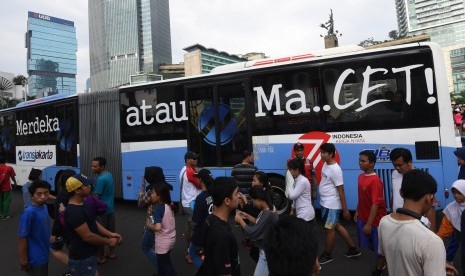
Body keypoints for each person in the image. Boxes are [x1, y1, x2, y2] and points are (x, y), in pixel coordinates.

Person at [378, 170, 458, 276]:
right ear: (429, 198)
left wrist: (436, 264)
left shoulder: (384, 222)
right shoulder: (432, 241)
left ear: (401, 192)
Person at [65, 174, 122, 276]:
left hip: (90, 253)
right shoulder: (74, 212)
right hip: (82, 257)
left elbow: (92, 221)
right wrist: (108, 242)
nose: (90, 186)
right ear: (77, 190)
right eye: (86, 185)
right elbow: (88, 236)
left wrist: (110, 234)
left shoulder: (84, 203)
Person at [318, 143, 360, 265]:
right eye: (321, 152)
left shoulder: (335, 170)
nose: (321, 155)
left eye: (324, 153)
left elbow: (341, 190)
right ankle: (353, 249)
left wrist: (345, 209)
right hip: (325, 202)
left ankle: (327, 255)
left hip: (331, 205)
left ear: (330, 154)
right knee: (336, 225)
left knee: (329, 229)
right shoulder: (326, 165)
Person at [353, 150, 387, 276]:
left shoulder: (375, 181)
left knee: (378, 248)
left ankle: (379, 269)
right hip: (363, 217)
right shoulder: (360, 176)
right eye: (360, 160)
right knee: (369, 244)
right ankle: (384, 257)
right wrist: (357, 210)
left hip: (375, 221)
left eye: (363, 161)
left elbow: (375, 204)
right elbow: (362, 197)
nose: (360, 163)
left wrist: (369, 224)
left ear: (372, 163)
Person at [390, 148, 436, 231]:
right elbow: (394, 194)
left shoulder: (420, 178)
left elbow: (430, 207)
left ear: (409, 162)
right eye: (394, 165)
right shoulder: (394, 174)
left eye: (400, 165)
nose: (397, 168)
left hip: (414, 225)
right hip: (397, 222)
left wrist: (432, 232)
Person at [235, 186, 278, 276]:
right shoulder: (268, 209)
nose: (253, 204)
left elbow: (253, 232)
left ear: (259, 199)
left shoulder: (268, 214)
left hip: (266, 254)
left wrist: (240, 221)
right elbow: (259, 223)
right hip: (267, 251)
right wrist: (247, 216)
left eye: (253, 200)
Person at [203, 177, 241, 275]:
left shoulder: (211, 219)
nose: (239, 196)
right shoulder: (222, 235)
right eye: (236, 193)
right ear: (227, 201)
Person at [18, 180, 52, 276]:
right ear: (32, 195)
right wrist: (24, 260)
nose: (43, 196)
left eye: (46, 193)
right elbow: (22, 238)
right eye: (39, 194)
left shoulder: (44, 207)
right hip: (35, 258)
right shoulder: (28, 213)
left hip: (44, 253)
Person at [146, 182, 177, 276]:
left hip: (163, 242)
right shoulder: (169, 205)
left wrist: (149, 225)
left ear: (159, 196)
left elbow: (158, 227)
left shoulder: (158, 209)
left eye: (153, 193)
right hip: (171, 239)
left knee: (166, 266)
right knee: (164, 261)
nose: (151, 195)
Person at [138, 166, 166, 271]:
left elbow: (140, 203)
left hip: (153, 223)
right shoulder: (164, 186)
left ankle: (162, 269)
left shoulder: (152, 190)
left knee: (145, 247)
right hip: (163, 221)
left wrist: (142, 187)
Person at [91, 156, 116, 264]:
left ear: (102, 167)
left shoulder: (100, 179)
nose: (92, 168)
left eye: (95, 166)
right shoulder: (109, 174)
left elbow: (96, 198)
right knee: (111, 233)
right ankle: (111, 253)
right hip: (111, 209)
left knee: (100, 236)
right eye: (92, 165)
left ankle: (101, 257)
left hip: (102, 212)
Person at [188, 168, 214, 268]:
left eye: (197, 178)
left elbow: (195, 221)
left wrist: (191, 224)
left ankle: (206, 272)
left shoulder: (200, 198)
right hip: (212, 229)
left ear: (201, 180)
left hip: (202, 232)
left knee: (192, 254)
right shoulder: (213, 194)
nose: (196, 180)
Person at [179, 151, 201, 263]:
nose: (196, 160)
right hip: (191, 204)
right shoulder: (190, 171)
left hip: (186, 203)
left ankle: (189, 250)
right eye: (194, 159)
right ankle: (191, 253)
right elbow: (200, 184)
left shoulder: (183, 169)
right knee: (194, 228)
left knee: (189, 228)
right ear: (188, 160)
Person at [437, 180, 465, 264]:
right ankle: (448, 262)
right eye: (454, 193)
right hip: (458, 233)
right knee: (453, 246)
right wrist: (438, 238)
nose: (456, 196)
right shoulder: (451, 207)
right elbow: (446, 226)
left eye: (459, 193)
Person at [287, 159, 316, 227]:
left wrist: (289, 184)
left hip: (305, 215)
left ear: (297, 170)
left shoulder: (302, 181)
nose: (289, 172)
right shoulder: (298, 180)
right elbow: (295, 198)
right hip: (303, 214)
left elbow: (292, 196)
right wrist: (292, 210)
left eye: (290, 169)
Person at [0, 155, 17, 220]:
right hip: (6, 187)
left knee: (0, 200)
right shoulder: (9, 168)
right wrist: (15, 182)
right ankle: (4, 215)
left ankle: (1, 213)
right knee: (6, 201)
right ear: (5, 161)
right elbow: (12, 176)